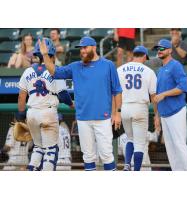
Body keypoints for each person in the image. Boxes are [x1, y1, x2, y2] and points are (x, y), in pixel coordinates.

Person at [38, 36, 122, 171]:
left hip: (103, 118)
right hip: (83, 119)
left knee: (106, 155)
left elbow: (117, 91)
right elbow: (54, 71)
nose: (82, 51)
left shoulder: (108, 65)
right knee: (88, 157)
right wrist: (45, 54)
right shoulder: (76, 66)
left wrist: (117, 113)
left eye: (85, 47)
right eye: (80, 48)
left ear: (94, 47)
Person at [16, 37, 73, 171]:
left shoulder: (28, 71)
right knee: (51, 150)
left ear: (36, 54)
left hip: (32, 113)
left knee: (38, 147)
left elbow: (21, 97)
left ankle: (32, 170)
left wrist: (20, 116)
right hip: (48, 113)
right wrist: (71, 104)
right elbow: (63, 94)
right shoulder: (55, 70)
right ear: (52, 54)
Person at [153, 39, 187, 171]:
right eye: (158, 49)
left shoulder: (176, 65)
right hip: (164, 113)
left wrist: (165, 94)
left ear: (170, 50)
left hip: (176, 111)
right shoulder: (160, 69)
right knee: (170, 148)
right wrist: (157, 116)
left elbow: (183, 87)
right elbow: (158, 95)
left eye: (162, 48)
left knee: (180, 145)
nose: (159, 51)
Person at [117, 45, 158, 171]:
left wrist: (116, 111)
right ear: (145, 56)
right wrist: (156, 114)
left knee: (130, 138)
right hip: (140, 107)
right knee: (140, 144)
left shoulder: (120, 69)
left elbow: (115, 93)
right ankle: (136, 171)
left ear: (133, 55)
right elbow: (154, 96)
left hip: (125, 108)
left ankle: (127, 164)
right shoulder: (149, 71)